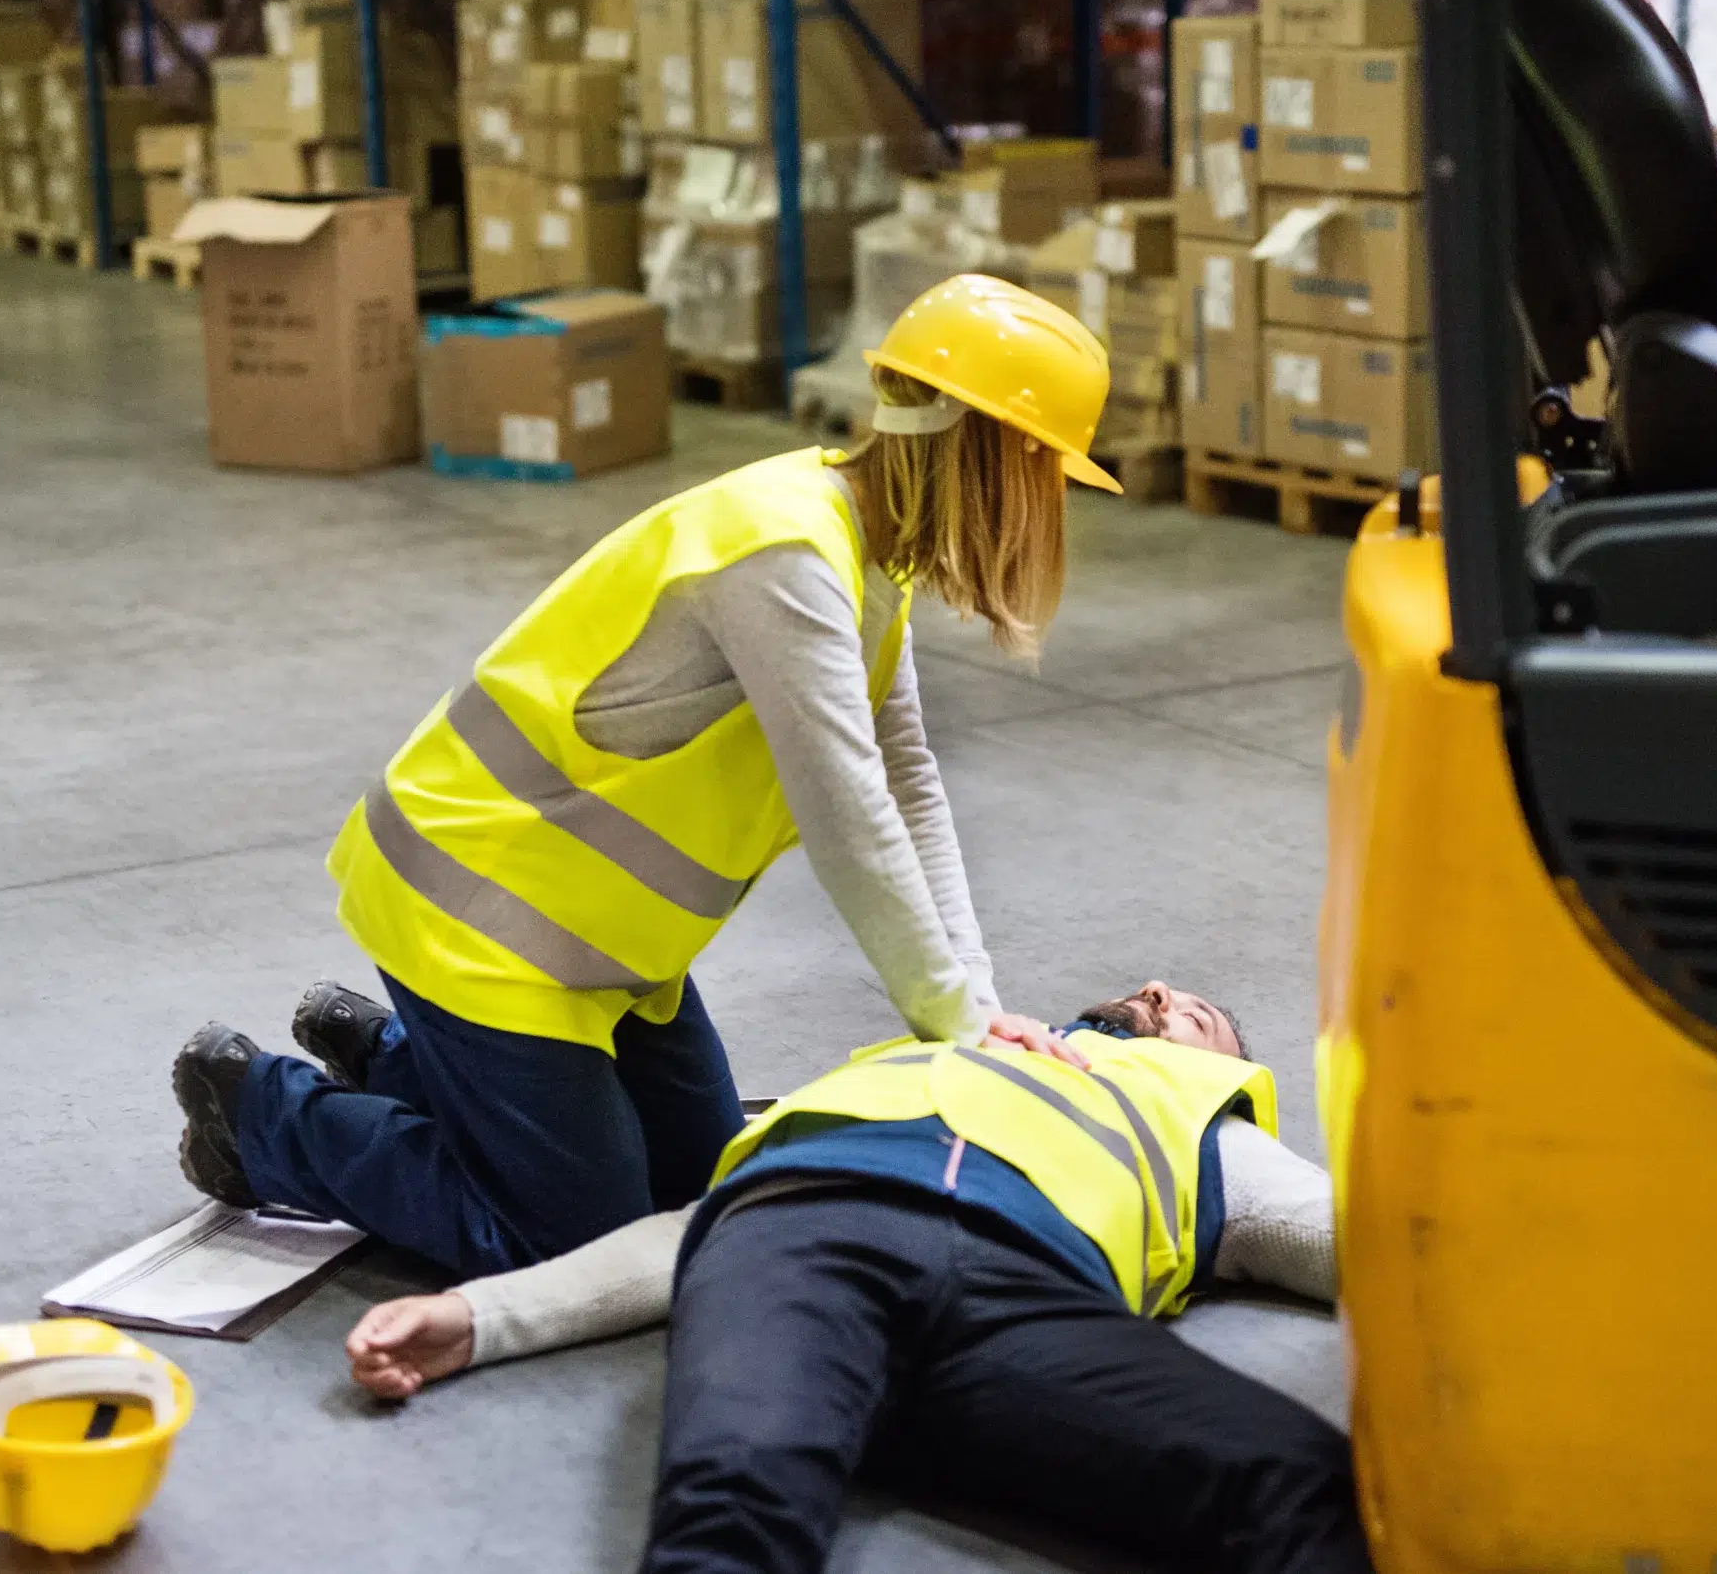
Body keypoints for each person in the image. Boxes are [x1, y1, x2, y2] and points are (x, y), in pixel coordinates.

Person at [167, 275, 1122, 1281]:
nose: (1054, 501)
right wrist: (957, 1026)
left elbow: (909, 783)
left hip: (599, 940)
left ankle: (394, 1057)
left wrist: (977, 1007)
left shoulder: (865, 558)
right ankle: (260, 1112)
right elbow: (848, 819)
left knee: (700, 1185)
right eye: (1051, 471)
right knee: (579, 1240)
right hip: (479, 913)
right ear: (1000, 451)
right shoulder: (785, 555)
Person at [345, 984, 1367, 1574]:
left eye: (1190, 1011)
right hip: (795, 1239)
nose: (1154, 997)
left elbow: (1367, 1246)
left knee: (1302, 1483)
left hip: (1022, 1298)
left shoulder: (1209, 1125)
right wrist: (481, 1314)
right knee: (734, 1501)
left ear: (1228, 1066)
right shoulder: (935, 1045)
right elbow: (689, 1234)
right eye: (1145, 987)